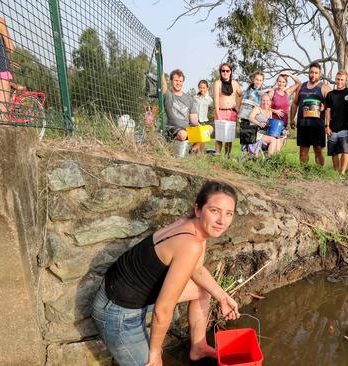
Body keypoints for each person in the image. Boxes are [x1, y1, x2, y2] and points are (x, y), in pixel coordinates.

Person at [92, 180, 241, 366]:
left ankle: (199, 347)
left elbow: (195, 269)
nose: (222, 221)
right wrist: (155, 352)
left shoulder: (193, 227)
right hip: (117, 312)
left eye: (229, 214)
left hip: (126, 294)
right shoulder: (190, 244)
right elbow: (163, 309)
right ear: (198, 210)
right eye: (215, 211)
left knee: (202, 289)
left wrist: (222, 296)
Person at [289, 63, 331, 166]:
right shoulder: (301, 87)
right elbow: (295, 103)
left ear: (319, 74)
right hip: (303, 123)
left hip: (317, 125)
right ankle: (304, 172)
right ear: (309, 73)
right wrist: (292, 119)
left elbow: (330, 106)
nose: (313, 75)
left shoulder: (325, 87)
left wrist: (324, 107)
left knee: (318, 149)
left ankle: (319, 172)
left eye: (316, 73)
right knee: (303, 150)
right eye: (311, 72)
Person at [162, 69, 212, 154]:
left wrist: (198, 125)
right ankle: (170, 145)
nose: (178, 83)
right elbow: (162, 83)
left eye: (180, 81)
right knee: (183, 134)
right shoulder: (168, 94)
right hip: (173, 128)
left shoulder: (188, 98)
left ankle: (192, 149)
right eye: (176, 80)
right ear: (171, 81)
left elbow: (193, 119)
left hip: (187, 129)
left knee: (209, 129)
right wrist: (161, 70)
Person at [324, 70, 348, 174]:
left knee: (345, 151)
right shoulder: (330, 94)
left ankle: (342, 172)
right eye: (338, 79)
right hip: (332, 127)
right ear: (335, 80)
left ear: (345, 81)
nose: (339, 81)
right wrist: (327, 126)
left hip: (345, 127)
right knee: (334, 152)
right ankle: (336, 171)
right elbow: (327, 111)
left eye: (342, 80)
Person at [213, 63, 243, 157]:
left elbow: (241, 95)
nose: (225, 73)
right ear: (220, 72)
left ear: (230, 72)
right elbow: (216, 99)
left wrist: (238, 107)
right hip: (220, 111)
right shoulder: (217, 83)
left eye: (227, 71)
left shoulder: (235, 83)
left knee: (229, 137)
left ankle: (227, 156)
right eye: (223, 71)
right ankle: (217, 155)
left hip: (232, 113)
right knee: (219, 136)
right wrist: (218, 114)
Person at [268, 72, 301, 146]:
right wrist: (275, 111)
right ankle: (269, 157)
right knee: (272, 145)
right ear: (277, 82)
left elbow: (298, 83)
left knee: (279, 146)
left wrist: (289, 74)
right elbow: (265, 107)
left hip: (283, 123)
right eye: (279, 81)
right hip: (274, 123)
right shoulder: (272, 92)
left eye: (283, 82)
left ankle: (276, 158)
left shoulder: (287, 92)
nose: (281, 84)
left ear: (286, 83)